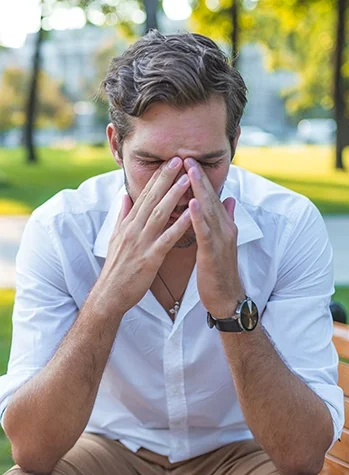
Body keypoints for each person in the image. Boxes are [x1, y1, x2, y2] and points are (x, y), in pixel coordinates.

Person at [0, 30, 344, 475]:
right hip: (109, 447)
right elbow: (31, 450)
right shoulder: (60, 228)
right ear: (115, 145)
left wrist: (230, 303)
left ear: (234, 144)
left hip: (244, 451)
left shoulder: (290, 225)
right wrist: (107, 299)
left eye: (207, 162)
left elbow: (301, 457)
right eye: (152, 163)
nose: (182, 188)